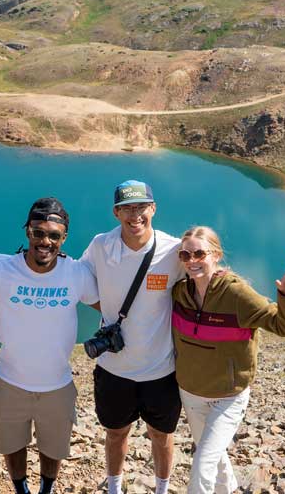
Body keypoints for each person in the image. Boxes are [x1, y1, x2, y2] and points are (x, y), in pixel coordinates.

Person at [0, 198, 100, 494]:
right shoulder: (2, 270)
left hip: (58, 385)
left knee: (53, 447)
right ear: (27, 231)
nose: (45, 241)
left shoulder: (77, 274)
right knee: (12, 444)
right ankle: (21, 489)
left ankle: (46, 489)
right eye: (38, 232)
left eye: (54, 235)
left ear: (63, 238)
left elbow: (108, 304)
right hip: (9, 381)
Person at [171, 226, 285, 494]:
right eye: (185, 255)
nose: (192, 261)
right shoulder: (179, 293)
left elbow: (284, 326)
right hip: (190, 392)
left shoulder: (236, 294)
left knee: (202, 463)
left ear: (216, 255)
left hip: (228, 396)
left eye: (199, 253)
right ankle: (230, 490)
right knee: (213, 456)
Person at [80, 180, 185, 494]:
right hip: (114, 369)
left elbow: (202, 276)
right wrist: (109, 312)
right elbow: (79, 280)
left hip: (161, 370)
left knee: (162, 436)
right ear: (116, 212)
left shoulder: (173, 249)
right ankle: (114, 487)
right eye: (126, 207)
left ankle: (162, 489)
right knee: (115, 434)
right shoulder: (101, 245)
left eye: (141, 206)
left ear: (153, 208)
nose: (134, 214)